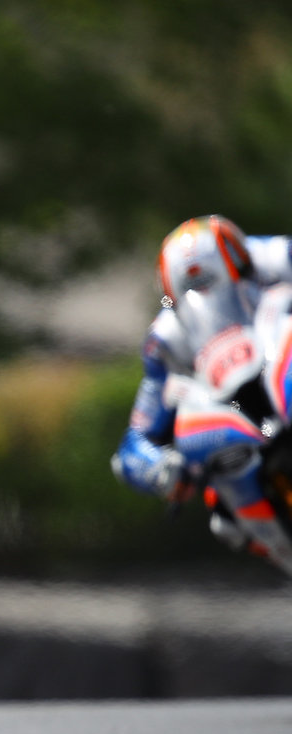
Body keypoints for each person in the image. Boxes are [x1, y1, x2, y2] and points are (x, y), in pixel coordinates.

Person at [112, 215, 292, 569]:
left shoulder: (273, 258)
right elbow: (133, 445)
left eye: (216, 284)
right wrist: (161, 469)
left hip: (276, 365)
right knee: (223, 518)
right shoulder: (164, 340)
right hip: (230, 410)